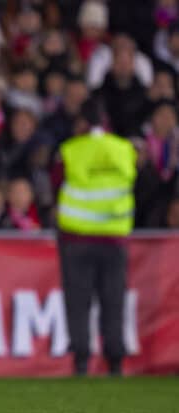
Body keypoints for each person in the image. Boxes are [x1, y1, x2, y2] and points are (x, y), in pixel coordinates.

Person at [56, 99, 137, 376]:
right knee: (113, 301)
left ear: (82, 123)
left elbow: (56, 183)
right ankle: (115, 361)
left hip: (77, 240)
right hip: (114, 239)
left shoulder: (71, 150)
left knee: (79, 303)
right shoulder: (124, 149)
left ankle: (81, 361)